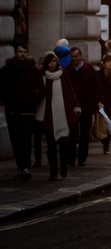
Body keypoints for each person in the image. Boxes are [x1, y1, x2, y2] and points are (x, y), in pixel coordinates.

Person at [0, 43, 44, 181]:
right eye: (20, 52)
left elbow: (40, 89)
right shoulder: (7, 70)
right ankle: (20, 165)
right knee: (15, 140)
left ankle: (26, 167)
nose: (23, 54)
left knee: (26, 140)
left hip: (27, 111)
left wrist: (32, 102)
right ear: (16, 53)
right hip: (12, 110)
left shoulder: (33, 70)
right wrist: (7, 100)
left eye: (25, 51)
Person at [35, 53, 80, 181]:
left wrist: (76, 105)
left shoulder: (63, 74)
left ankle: (63, 165)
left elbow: (70, 90)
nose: (52, 64)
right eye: (50, 61)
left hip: (62, 113)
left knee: (64, 143)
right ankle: (53, 171)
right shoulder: (42, 76)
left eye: (54, 61)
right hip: (48, 114)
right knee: (51, 145)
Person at [66, 47, 101, 167]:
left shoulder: (89, 70)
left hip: (87, 106)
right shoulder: (68, 70)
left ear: (81, 56)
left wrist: (97, 101)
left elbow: (96, 87)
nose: (74, 59)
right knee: (73, 133)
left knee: (85, 134)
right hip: (73, 106)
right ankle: (71, 158)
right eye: (72, 57)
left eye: (76, 56)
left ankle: (82, 158)